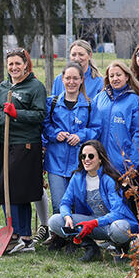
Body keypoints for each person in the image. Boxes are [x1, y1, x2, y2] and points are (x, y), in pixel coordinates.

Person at [0, 49, 47, 252]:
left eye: (18, 63)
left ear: (26, 64)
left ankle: (17, 233)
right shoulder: (3, 87)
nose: (14, 68)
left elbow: (40, 114)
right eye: (10, 64)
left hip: (25, 144)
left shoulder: (35, 87)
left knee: (12, 188)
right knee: (10, 189)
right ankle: (24, 237)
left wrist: (18, 113)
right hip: (3, 142)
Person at [48, 140, 134, 261]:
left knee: (119, 228)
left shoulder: (109, 179)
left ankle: (121, 249)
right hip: (91, 224)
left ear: (100, 159)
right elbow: (65, 203)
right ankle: (91, 248)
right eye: (83, 156)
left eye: (91, 156)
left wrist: (94, 223)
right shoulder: (77, 177)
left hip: (111, 224)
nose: (86, 159)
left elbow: (118, 213)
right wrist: (67, 216)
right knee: (55, 221)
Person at [43, 62, 98, 248]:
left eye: (76, 78)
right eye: (68, 78)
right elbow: (45, 127)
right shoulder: (52, 103)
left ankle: (77, 239)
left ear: (82, 80)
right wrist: (54, 133)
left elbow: (96, 130)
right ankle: (60, 237)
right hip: (56, 163)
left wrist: (81, 135)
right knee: (59, 203)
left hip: (79, 164)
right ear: (62, 79)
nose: (71, 82)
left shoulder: (89, 105)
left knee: (77, 203)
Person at [91, 60, 139, 174]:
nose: (115, 78)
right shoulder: (99, 98)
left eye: (118, 75)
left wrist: (132, 164)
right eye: (112, 76)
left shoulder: (135, 102)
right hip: (98, 163)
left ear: (126, 77)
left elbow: (138, 135)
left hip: (122, 166)